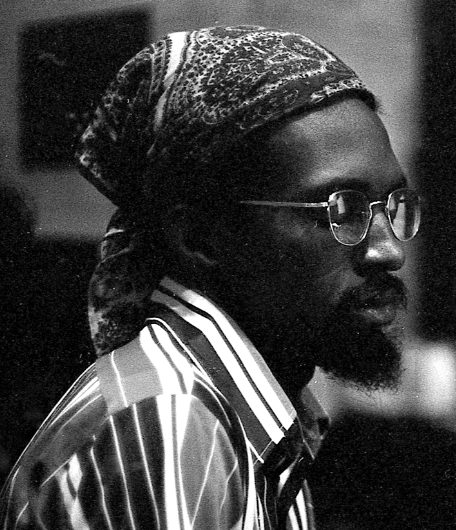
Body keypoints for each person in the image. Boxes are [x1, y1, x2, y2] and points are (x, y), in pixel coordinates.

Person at [0, 25, 421, 529]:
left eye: (393, 204)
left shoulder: (257, 408)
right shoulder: (170, 419)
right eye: (341, 210)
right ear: (202, 238)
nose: (389, 250)